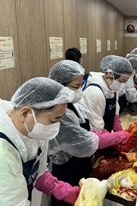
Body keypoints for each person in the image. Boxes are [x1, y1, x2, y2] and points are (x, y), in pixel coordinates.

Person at [48, 60, 137, 205]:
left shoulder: (74, 104)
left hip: (83, 161)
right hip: (68, 167)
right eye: (77, 86)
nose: (80, 90)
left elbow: (91, 129)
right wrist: (120, 137)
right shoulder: (61, 113)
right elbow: (85, 142)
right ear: (60, 85)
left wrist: (118, 137)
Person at [0, 77, 80, 205]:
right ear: (25, 113)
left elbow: (38, 173)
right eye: (54, 120)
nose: (57, 125)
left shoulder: (34, 130)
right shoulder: (3, 152)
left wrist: (62, 190)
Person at [80, 55, 133, 132]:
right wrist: (116, 137)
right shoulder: (94, 92)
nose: (122, 85)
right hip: (94, 137)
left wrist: (119, 131)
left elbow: (115, 114)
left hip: (105, 134)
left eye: (125, 82)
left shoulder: (113, 88)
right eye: (121, 81)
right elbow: (96, 129)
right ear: (109, 74)